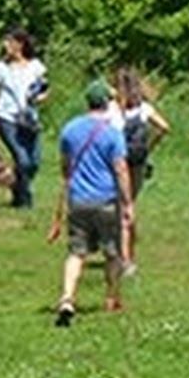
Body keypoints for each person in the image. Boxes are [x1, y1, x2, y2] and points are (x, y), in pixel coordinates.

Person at [50, 79, 134, 326]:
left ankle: (67, 298)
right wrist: (128, 203)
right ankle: (111, 297)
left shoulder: (70, 129)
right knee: (112, 252)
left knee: (77, 252)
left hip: (79, 200)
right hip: (106, 200)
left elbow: (65, 165)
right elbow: (120, 169)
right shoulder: (112, 134)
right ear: (107, 103)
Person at [112, 67, 171, 272]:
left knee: (122, 209)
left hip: (118, 162)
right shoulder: (145, 109)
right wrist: (150, 147)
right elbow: (164, 127)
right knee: (130, 205)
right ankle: (129, 254)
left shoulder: (113, 110)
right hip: (138, 160)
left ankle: (124, 258)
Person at [0, 28, 47, 209]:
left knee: (34, 162)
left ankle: (17, 187)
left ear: (20, 44)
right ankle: (25, 201)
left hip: (29, 119)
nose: (6, 46)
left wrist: (38, 98)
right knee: (22, 159)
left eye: (9, 42)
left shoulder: (36, 66)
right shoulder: (0, 68)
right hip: (7, 118)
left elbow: (44, 90)